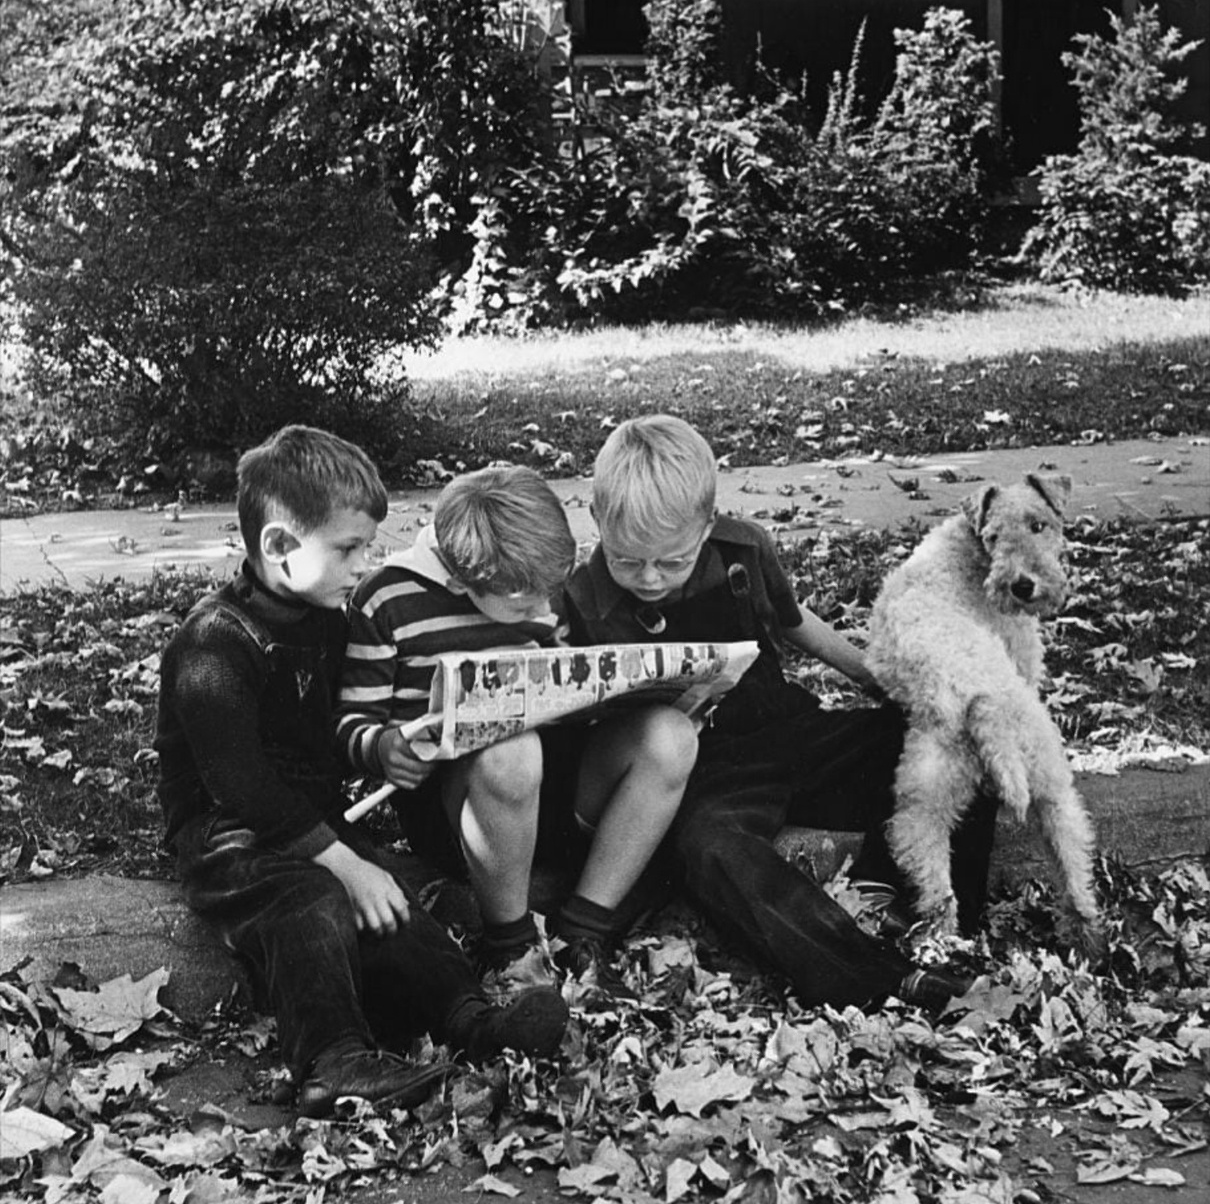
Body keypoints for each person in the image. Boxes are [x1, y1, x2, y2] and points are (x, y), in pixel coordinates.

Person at [155, 427, 569, 1120]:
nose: (362, 566)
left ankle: (470, 1021)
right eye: (349, 549)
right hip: (227, 835)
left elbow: (334, 732)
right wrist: (348, 866)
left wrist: (381, 749)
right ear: (281, 548)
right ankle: (330, 1060)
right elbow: (241, 784)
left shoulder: (325, 621)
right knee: (315, 900)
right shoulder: (213, 645)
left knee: (398, 906)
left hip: (311, 822)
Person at [563, 414, 997, 1013]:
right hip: (702, 772)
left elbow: (798, 628)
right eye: (628, 560)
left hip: (789, 728)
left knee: (967, 733)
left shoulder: (743, 550)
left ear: (707, 524)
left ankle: (937, 919)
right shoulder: (581, 597)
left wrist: (887, 685)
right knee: (712, 849)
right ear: (597, 520)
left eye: (671, 561)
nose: (649, 578)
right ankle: (877, 978)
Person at [338, 465, 698, 997]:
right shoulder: (387, 599)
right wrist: (383, 747)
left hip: (556, 783)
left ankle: (586, 930)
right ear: (461, 580)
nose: (544, 610)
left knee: (671, 735)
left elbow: (559, 678)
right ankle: (511, 945)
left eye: (548, 596)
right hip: (463, 805)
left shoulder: (533, 587)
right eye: (525, 605)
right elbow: (350, 723)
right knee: (512, 749)